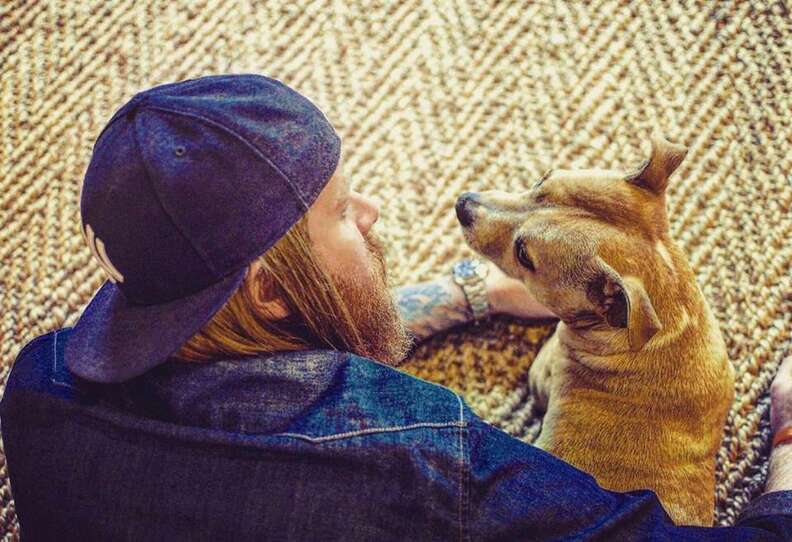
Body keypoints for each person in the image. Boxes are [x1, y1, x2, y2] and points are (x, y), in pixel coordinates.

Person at [19, 74, 792, 540]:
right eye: (341, 211)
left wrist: (462, 294)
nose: (375, 213)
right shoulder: (414, 456)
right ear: (266, 289)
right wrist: (786, 441)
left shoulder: (36, 390)